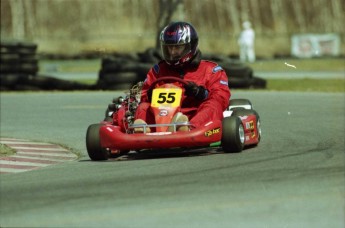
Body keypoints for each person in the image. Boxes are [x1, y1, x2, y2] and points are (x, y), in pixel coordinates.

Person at [133, 21, 230, 133]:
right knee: (143, 106)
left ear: (190, 47)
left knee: (213, 105)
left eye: (177, 48)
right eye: (169, 48)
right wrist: (149, 96)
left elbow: (221, 97)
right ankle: (144, 129)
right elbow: (144, 94)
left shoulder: (211, 70)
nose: (172, 52)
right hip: (161, 116)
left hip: (195, 114)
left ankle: (187, 128)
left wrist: (201, 93)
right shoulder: (158, 70)